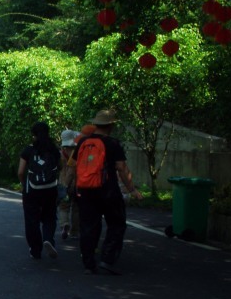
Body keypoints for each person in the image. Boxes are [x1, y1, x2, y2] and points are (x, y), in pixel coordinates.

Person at [73, 109, 142, 275]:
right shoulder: (113, 143)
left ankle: (89, 263)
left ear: (96, 124)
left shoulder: (83, 142)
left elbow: (75, 165)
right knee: (117, 223)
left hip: (86, 190)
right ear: (110, 125)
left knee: (88, 226)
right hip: (108, 190)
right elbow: (121, 168)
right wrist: (132, 190)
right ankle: (107, 258)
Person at [18, 122, 60, 259]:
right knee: (50, 215)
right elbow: (61, 167)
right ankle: (48, 238)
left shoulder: (28, 150)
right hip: (50, 188)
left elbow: (20, 172)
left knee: (32, 219)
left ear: (33, 134)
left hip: (32, 190)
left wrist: (24, 184)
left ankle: (35, 250)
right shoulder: (53, 149)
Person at [58, 129, 81, 241]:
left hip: (64, 183)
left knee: (63, 207)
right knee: (77, 208)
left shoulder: (61, 154)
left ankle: (64, 224)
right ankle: (75, 232)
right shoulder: (78, 152)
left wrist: (64, 185)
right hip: (77, 184)